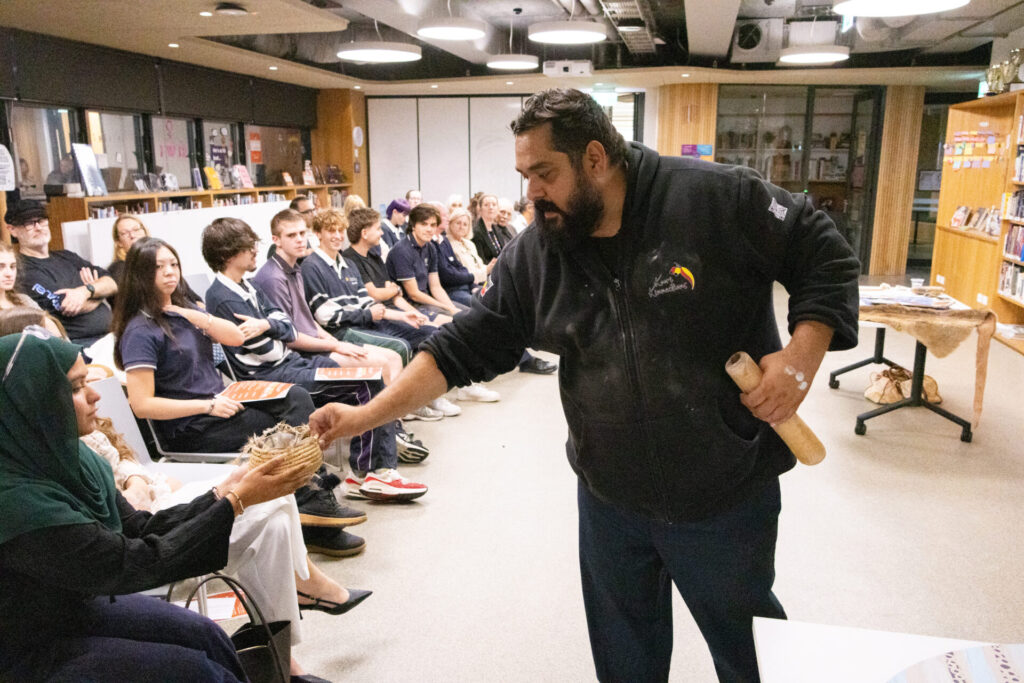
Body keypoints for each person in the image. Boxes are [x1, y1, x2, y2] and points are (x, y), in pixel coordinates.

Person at [309, 88, 860, 683]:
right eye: (524, 175)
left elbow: (822, 252)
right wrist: (364, 417)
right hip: (610, 500)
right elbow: (461, 347)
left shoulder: (715, 198)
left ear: (596, 158)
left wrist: (800, 360)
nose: (532, 194)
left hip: (723, 489)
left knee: (750, 653)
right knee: (626, 664)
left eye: (545, 173)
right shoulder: (539, 253)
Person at [0, 329, 308, 681]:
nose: (94, 394)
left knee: (207, 636)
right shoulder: (16, 503)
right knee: (197, 672)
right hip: (25, 652)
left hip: (67, 611)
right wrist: (237, 502)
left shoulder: (68, 459)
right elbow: (133, 561)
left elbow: (138, 528)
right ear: (31, 402)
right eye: (74, 387)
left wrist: (222, 494)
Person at [112, 237, 367, 549]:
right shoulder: (140, 331)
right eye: (159, 267)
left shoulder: (185, 310)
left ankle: (310, 500)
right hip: (193, 425)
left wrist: (197, 316)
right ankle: (313, 509)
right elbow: (142, 405)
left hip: (225, 403)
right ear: (140, 274)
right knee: (281, 435)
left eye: (173, 264)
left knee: (296, 398)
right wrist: (205, 406)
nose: (169, 272)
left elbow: (234, 338)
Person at [200, 218, 427, 502]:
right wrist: (273, 326)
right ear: (227, 254)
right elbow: (268, 349)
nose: (255, 250)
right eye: (248, 246)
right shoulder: (222, 296)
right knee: (367, 383)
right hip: (272, 375)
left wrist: (267, 325)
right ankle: (376, 472)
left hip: (291, 363)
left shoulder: (246, 285)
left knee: (369, 377)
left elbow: (288, 327)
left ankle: (369, 473)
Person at [8, 198, 117, 346]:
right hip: (78, 344)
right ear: (12, 230)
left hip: (111, 336)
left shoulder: (67, 256)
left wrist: (84, 291)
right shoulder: (22, 269)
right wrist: (98, 293)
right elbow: (66, 305)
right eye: (29, 224)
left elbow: (112, 283)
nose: (38, 227)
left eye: (42, 220)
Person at [385, 204, 464, 318]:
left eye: (433, 225)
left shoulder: (431, 247)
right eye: (424, 224)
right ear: (413, 225)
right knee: (455, 320)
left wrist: (451, 307)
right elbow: (414, 294)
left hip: (427, 300)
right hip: (409, 305)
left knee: (469, 315)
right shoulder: (402, 250)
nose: (429, 229)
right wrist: (448, 309)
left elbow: (435, 287)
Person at [471, 193, 514, 264]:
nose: (491, 207)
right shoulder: (476, 232)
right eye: (486, 205)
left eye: (494, 205)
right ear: (480, 209)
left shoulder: (497, 229)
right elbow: (480, 261)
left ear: (497, 209)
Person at [0, 242, 39, 310]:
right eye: (0, 267)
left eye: (12, 267)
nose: (9, 274)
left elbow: (47, 320)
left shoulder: (24, 301)